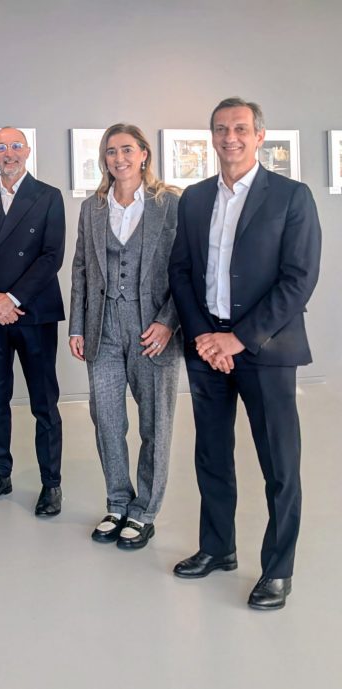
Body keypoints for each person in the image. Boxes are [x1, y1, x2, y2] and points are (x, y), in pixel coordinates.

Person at [169, 97, 321, 610]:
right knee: (211, 455)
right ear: (211, 137)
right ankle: (217, 547)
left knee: (279, 463)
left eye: (239, 128)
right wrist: (202, 337)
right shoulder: (193, 198)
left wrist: (239, 338)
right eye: (220, 129)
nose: (229, 137)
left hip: (266, 349)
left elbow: (298, 280)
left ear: (259, 136)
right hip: (206, 347)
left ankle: (278, 569)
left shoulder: (292, 196)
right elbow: (181, 272)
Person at [68, 124, 182, 549]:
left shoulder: (169, 203)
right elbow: (81, 269)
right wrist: (77, 325)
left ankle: (144, 511)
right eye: (111, 151)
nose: (119, 158)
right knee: (107, 420)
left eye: (127, 150)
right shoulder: (92, 207)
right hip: (103, 328)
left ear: (144, 154)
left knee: (155, 424)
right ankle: (117, 502)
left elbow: (187, 269)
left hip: (153, 329)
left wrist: (168, 322)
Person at [0, 127, 66, 516]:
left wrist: (13, 298)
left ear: (28, 150)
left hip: (34, 313)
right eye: (1, 147)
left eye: (16, 146)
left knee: (44, 402)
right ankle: (0, 474)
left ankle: (51, 484)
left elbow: (52, 256)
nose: (9, 153)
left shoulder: (49, 196)